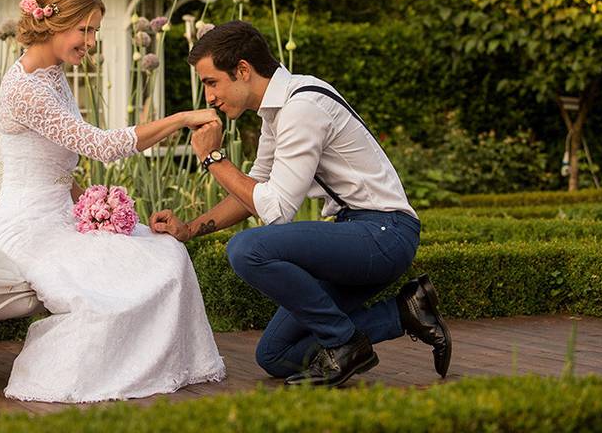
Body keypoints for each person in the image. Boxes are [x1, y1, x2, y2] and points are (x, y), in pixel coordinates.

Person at [150, 20, 451, 388]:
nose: (209, 97)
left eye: (211, 82)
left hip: (383, 234)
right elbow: (253, 192)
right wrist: (189, 229)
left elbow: (276, 210)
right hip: (355, 233)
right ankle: (405, 313)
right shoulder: (276, 112)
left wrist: (213, 158)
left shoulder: (302, 106)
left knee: (247, 249)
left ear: (243, 70)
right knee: (274, 356)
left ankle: (343, 342)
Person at [0, 0, 225, 403]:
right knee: (104, 290)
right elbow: (99, 145)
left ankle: (161, 365)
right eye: (85, 29)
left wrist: (93, 206)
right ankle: (93, 372)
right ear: (54, 23)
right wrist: (180, 119)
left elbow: (55, 163)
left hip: (63, 215)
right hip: (27, 227)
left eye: (94, 31)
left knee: (167, 252)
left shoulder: (52, 75)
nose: (90, 42)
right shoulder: (25, 89)